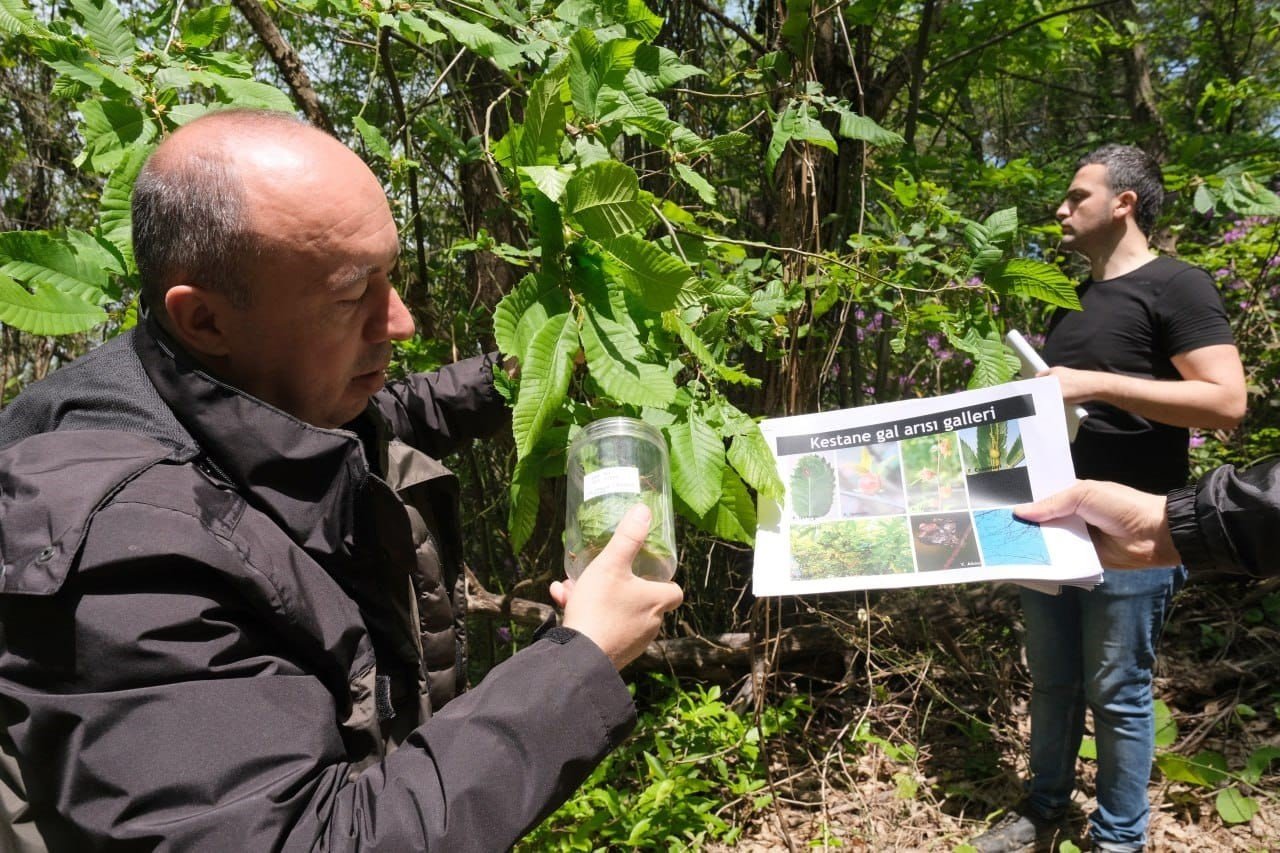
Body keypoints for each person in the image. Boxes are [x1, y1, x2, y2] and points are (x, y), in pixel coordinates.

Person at [0, 108, 684, 851]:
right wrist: (578, 659)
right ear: (203, 319)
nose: (401, 322)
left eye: (389, 275)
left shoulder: (219, 380)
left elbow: (374, 416)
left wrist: (514, 375)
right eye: (352, 292)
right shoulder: (116, 555)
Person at [971, 144, 1247, 853]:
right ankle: (1042, 809)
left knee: (1119, 691)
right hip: (1051, 520)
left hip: (1139, 530)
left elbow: (1225, 401)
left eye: (1076, 196)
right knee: (1053, 681)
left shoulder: (1177, 285)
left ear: (1125, 201)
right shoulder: (1074, 299)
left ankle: (1120, 837)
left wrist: (1091, 383)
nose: (1060, 211)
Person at [1014, 460, 1280, 579]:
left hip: (1129, 528)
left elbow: (1228, 403)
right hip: (1067, 532)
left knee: (1116, 678)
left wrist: (1158, 527)